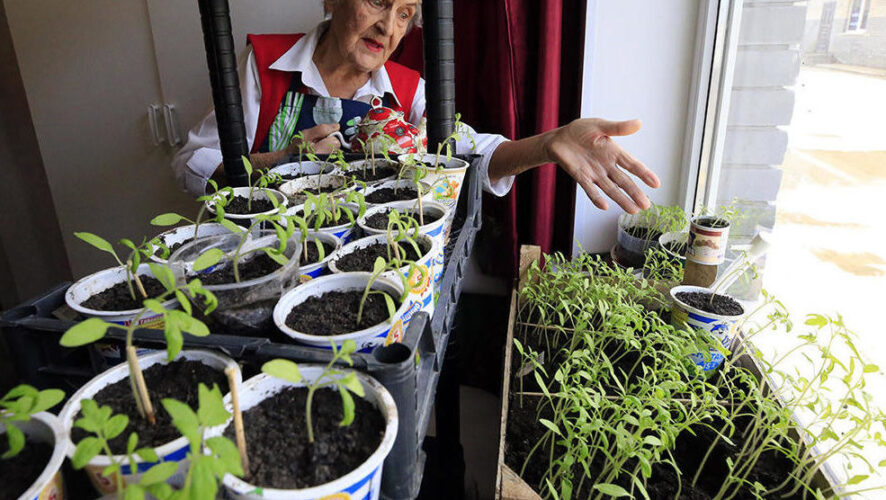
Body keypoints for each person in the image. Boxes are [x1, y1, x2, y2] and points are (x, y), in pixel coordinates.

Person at [172, 0, 660, 214]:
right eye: (378, 1)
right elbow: (192, 165)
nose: (388, 27)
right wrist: (283, 163)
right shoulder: (264, 63)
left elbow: (473, 150)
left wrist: (550, 143)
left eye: (404, 14)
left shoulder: (407, 90)